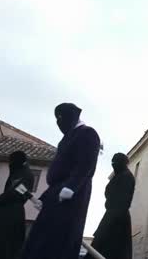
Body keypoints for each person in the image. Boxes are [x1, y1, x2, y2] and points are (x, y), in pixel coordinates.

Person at [22, 103, 101, 259]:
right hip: (55, 193)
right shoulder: (66, 138)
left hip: (72, 196)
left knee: (59, 238)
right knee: (41, 239)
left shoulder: (88, 133)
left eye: (61, 117)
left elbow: (86, 164)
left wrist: (72, 187)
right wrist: (44, 197)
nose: (59, 122)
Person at [92, 153, 136, 259]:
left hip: (117, 218)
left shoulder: (126, 177)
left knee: (112, 248)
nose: (113, 164)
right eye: (112, 162)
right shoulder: (120, 175)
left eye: (115, 162)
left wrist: (113, 215)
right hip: (111, 215)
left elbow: (123, 200)